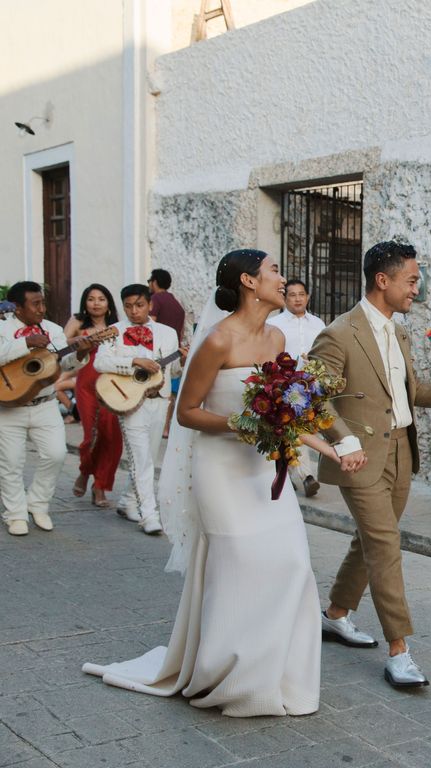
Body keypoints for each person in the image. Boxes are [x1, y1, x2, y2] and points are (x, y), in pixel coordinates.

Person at [84, 249, 345, 716]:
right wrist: (242, 424)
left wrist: (330, 446)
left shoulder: (279, 335)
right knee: (240, 568)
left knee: (291, 564)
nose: (282, 279)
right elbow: (187, 411)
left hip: (264, 467)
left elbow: (286, 406)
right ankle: (229, 677)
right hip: (221, 470)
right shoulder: (218, 340)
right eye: (274, 271)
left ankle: (281, 674)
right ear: (248, 281)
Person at [309, 240, 431, 688]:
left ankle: (336, 614)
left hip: (402, 451)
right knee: (385, 544)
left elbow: (408, 391)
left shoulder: (398, 331)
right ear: (383, 280)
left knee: (369, 542)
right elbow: (314, 397)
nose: (416, 290)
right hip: (359, 458)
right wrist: (342, 442)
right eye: (412, 280)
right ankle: (399, 650)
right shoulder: (339, 332)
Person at [0, 282, 91, 536]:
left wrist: (81, 354)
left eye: (43, 302)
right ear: (18, 307)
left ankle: (37, 504)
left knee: (56, 454)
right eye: (35, 303)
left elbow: (65, 361)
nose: (42, 308)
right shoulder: (3, 328)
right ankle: (15, 514)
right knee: (11, 462)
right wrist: (25, 343)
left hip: (45, 403)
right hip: (8, 405)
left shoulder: (52, 330)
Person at [94, 284, 181, 534]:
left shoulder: (167, 333)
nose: (134, 311)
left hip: (159, 400)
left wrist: (181, 362)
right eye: (128, 306)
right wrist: (133, 361)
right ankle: (149, 516)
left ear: (150, 304)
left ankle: (127, 501)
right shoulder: (114, 331)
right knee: (141, 459)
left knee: (148, 458)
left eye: (139, 305)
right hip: (129, 402)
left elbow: (173, 371)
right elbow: (101, 362)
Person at [267, 278, 326, 497]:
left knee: (308, 430)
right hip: (287, 387)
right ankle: (306, 476)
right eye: (292, 295)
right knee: (293, 429)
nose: (298, 299)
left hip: (313, 386)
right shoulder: (275, 325)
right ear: (284, 298)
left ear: (308, 296)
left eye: (301, 294)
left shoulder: (319, 324)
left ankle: (287, 471)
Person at [65, 284, 122, 508]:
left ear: (108, 303)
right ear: (85, 303)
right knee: (91, 436)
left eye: (101, 298)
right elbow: (61, 342)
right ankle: (84, 472)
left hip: (113, 385)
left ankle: (101, 486)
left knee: (112, 438)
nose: (96, 303)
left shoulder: (117, 326)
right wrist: (82, 342)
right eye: (91, 299)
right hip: (87, 384)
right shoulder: (78, 321)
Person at [148, 269, 186, 440]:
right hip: (175, 351)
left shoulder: (155, 299)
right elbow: (183, 329)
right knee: (170, 391)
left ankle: (158, 426)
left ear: (154, 282)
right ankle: (166, 427)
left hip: (159, 353)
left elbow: (151, 325)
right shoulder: (177, 303)